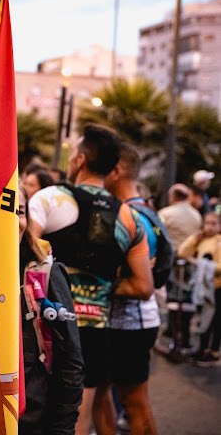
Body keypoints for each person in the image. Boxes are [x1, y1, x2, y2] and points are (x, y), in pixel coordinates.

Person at [29, 124, 153, 435]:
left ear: (80, 160)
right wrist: (102, 288)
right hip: (96, 333)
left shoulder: (49, 200)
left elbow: (24, 257)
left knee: (33, 416)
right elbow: (143, 286)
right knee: (78, 421)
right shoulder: (130, 219)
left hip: (46, 328)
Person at [104, 143, 165, 434]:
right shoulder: (141, 210)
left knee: (134, 402)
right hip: (122, 322)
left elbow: (142, 284)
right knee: (102, 397)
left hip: (133, 323)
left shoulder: (134, 216)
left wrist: (98, 284)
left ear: (116, 170)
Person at [18, 185, 84, 434]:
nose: (12, 221)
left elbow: (71, 363)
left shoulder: (46, 274)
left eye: (19, 211)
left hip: (34, 422)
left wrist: (62, 430)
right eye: (1, 211)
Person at [178, 212, 221, 365]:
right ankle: (202, 348)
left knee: (215, 321)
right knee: (203, 320)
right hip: (202, 289)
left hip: (217, 289)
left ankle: (213, 351)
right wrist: (194, 238)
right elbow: (182, 252)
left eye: (213, 224)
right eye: (207, 223)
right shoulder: (201, 240)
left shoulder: (218, 242)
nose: (209, 227)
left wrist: (200, 264)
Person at [158, 184, 203, 253]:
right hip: (189, 254)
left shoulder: (164, 213)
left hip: (169, 254)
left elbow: (157, 231)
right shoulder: (197, 215)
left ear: (172, 196)